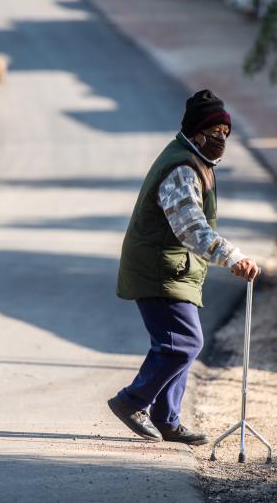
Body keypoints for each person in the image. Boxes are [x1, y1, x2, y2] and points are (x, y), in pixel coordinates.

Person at [108, 89, 260, 445]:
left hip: (175, 269)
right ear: (196, 133)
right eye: (216, 133)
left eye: (226, 134)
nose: (222, 140)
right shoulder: (182, 168)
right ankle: (132, 402)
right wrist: (232, 257)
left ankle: (167, 418)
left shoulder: (197, 162)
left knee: (178, 343)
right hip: (159, 269)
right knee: (182, 343)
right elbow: (190, 227)